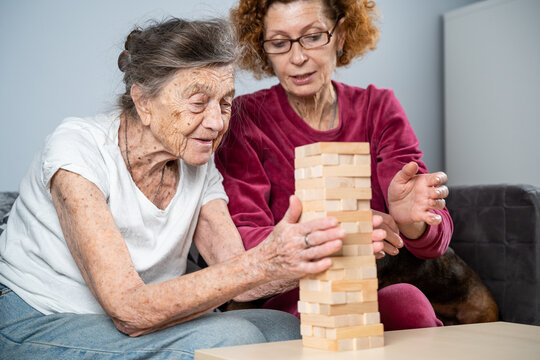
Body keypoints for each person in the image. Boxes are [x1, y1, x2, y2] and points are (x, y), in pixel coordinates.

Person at [0, 17, 361, 359]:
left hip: (135, 322)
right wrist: (264, 262)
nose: (217, 122)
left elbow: (242, 278)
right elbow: (128, 308)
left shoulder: (196, 163)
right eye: (198, 103)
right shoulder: (77, 148)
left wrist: (319, 250)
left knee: (285, 330)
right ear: (143, 102)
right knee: (232, 340)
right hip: (36, 318)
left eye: (225, 102)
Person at [216, 0, 453, 330]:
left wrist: (412, 220)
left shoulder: (378, 107)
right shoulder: (245, 120)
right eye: (280, 43)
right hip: (291, 293)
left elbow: (433, 233)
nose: (297, 58)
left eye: (313, 37)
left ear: (340, 34)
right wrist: (345, 232)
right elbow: (245, 241)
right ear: (263, 48)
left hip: (369, 284)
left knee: (409, 303)